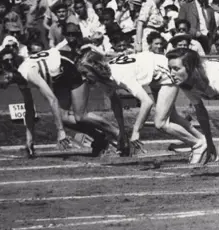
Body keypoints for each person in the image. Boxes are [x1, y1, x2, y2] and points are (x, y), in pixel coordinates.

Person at [0, 47, 122, 158]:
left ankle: (118, 134)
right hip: (59, 77)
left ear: (4, 74)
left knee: (80, 116)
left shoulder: (27, 73)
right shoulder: (20, 77)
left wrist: (60, 131)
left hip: (70, 68)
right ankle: (100, 139)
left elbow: (52, 99)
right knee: (63, 117)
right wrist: (29, 138)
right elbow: (29, 109)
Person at [76, 49, 205, 157]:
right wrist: (121, 132)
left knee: (161, 123)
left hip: (165, 70)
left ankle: (197, 144)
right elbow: (115, 102)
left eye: (85, 73)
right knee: (172, 118)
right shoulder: (103, 78)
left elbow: (147, 102)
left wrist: (136, 130)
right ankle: (204, 140)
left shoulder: (119, 75)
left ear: (94, 68)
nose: (83, 78)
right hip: (155, 74)